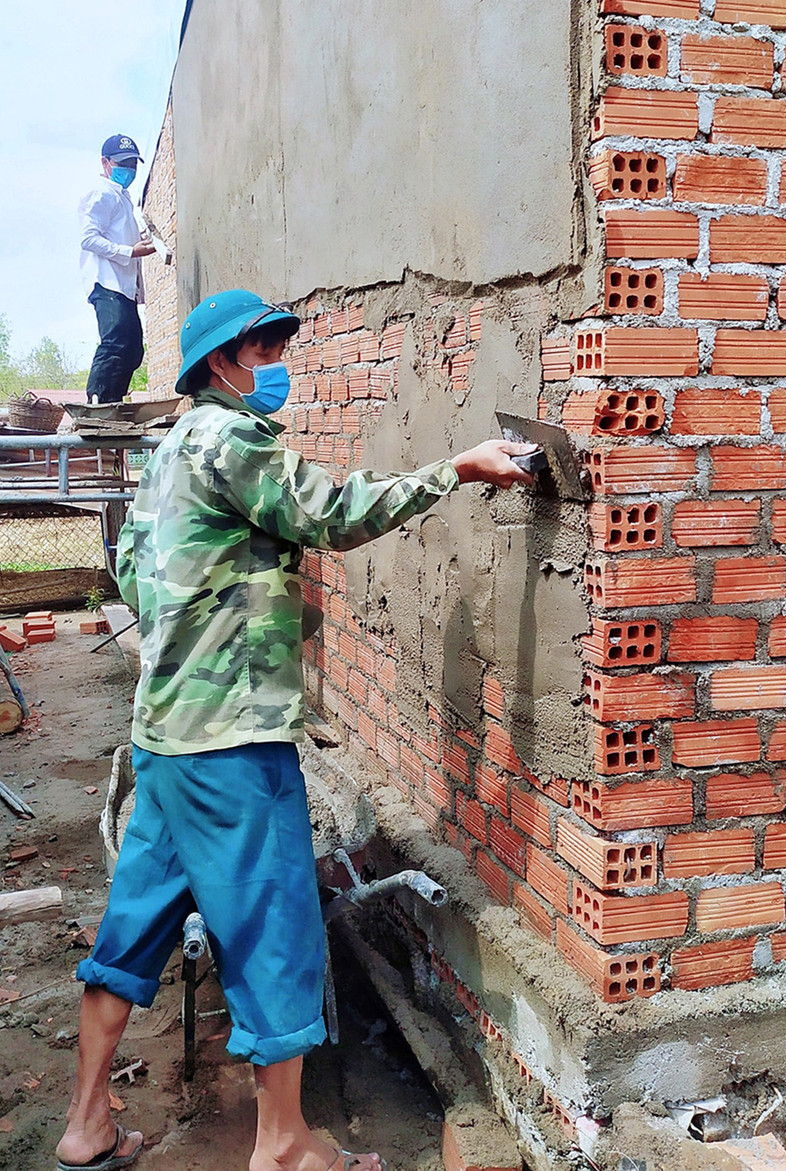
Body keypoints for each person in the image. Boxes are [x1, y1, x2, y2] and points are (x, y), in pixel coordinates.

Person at [55, 289, 537, 1171]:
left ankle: (87, 1125)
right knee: (277, 936)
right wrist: (457, 470)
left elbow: (134, 571)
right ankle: (283, 1146)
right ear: (220, 363)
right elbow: (334, 512)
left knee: (130, 934)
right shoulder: (234, 441)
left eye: (281, 346)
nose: (279, 364)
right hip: (233, 746)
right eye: (266, 349)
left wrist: (236, 614)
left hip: (164, 739)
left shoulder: (167, 454)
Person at [78, 134, 156, 404]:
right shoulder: (101, 193)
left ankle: (113, 401)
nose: (129, 170)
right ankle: (98, 403)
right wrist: (131, 251)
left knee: (133, 349)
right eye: (123, 164)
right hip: (107, 282)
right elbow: (89, 238)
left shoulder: (122, 198)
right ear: (105, 162)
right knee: (115, 343)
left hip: (123, 286)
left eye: (133, 164)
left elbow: (119, 237)